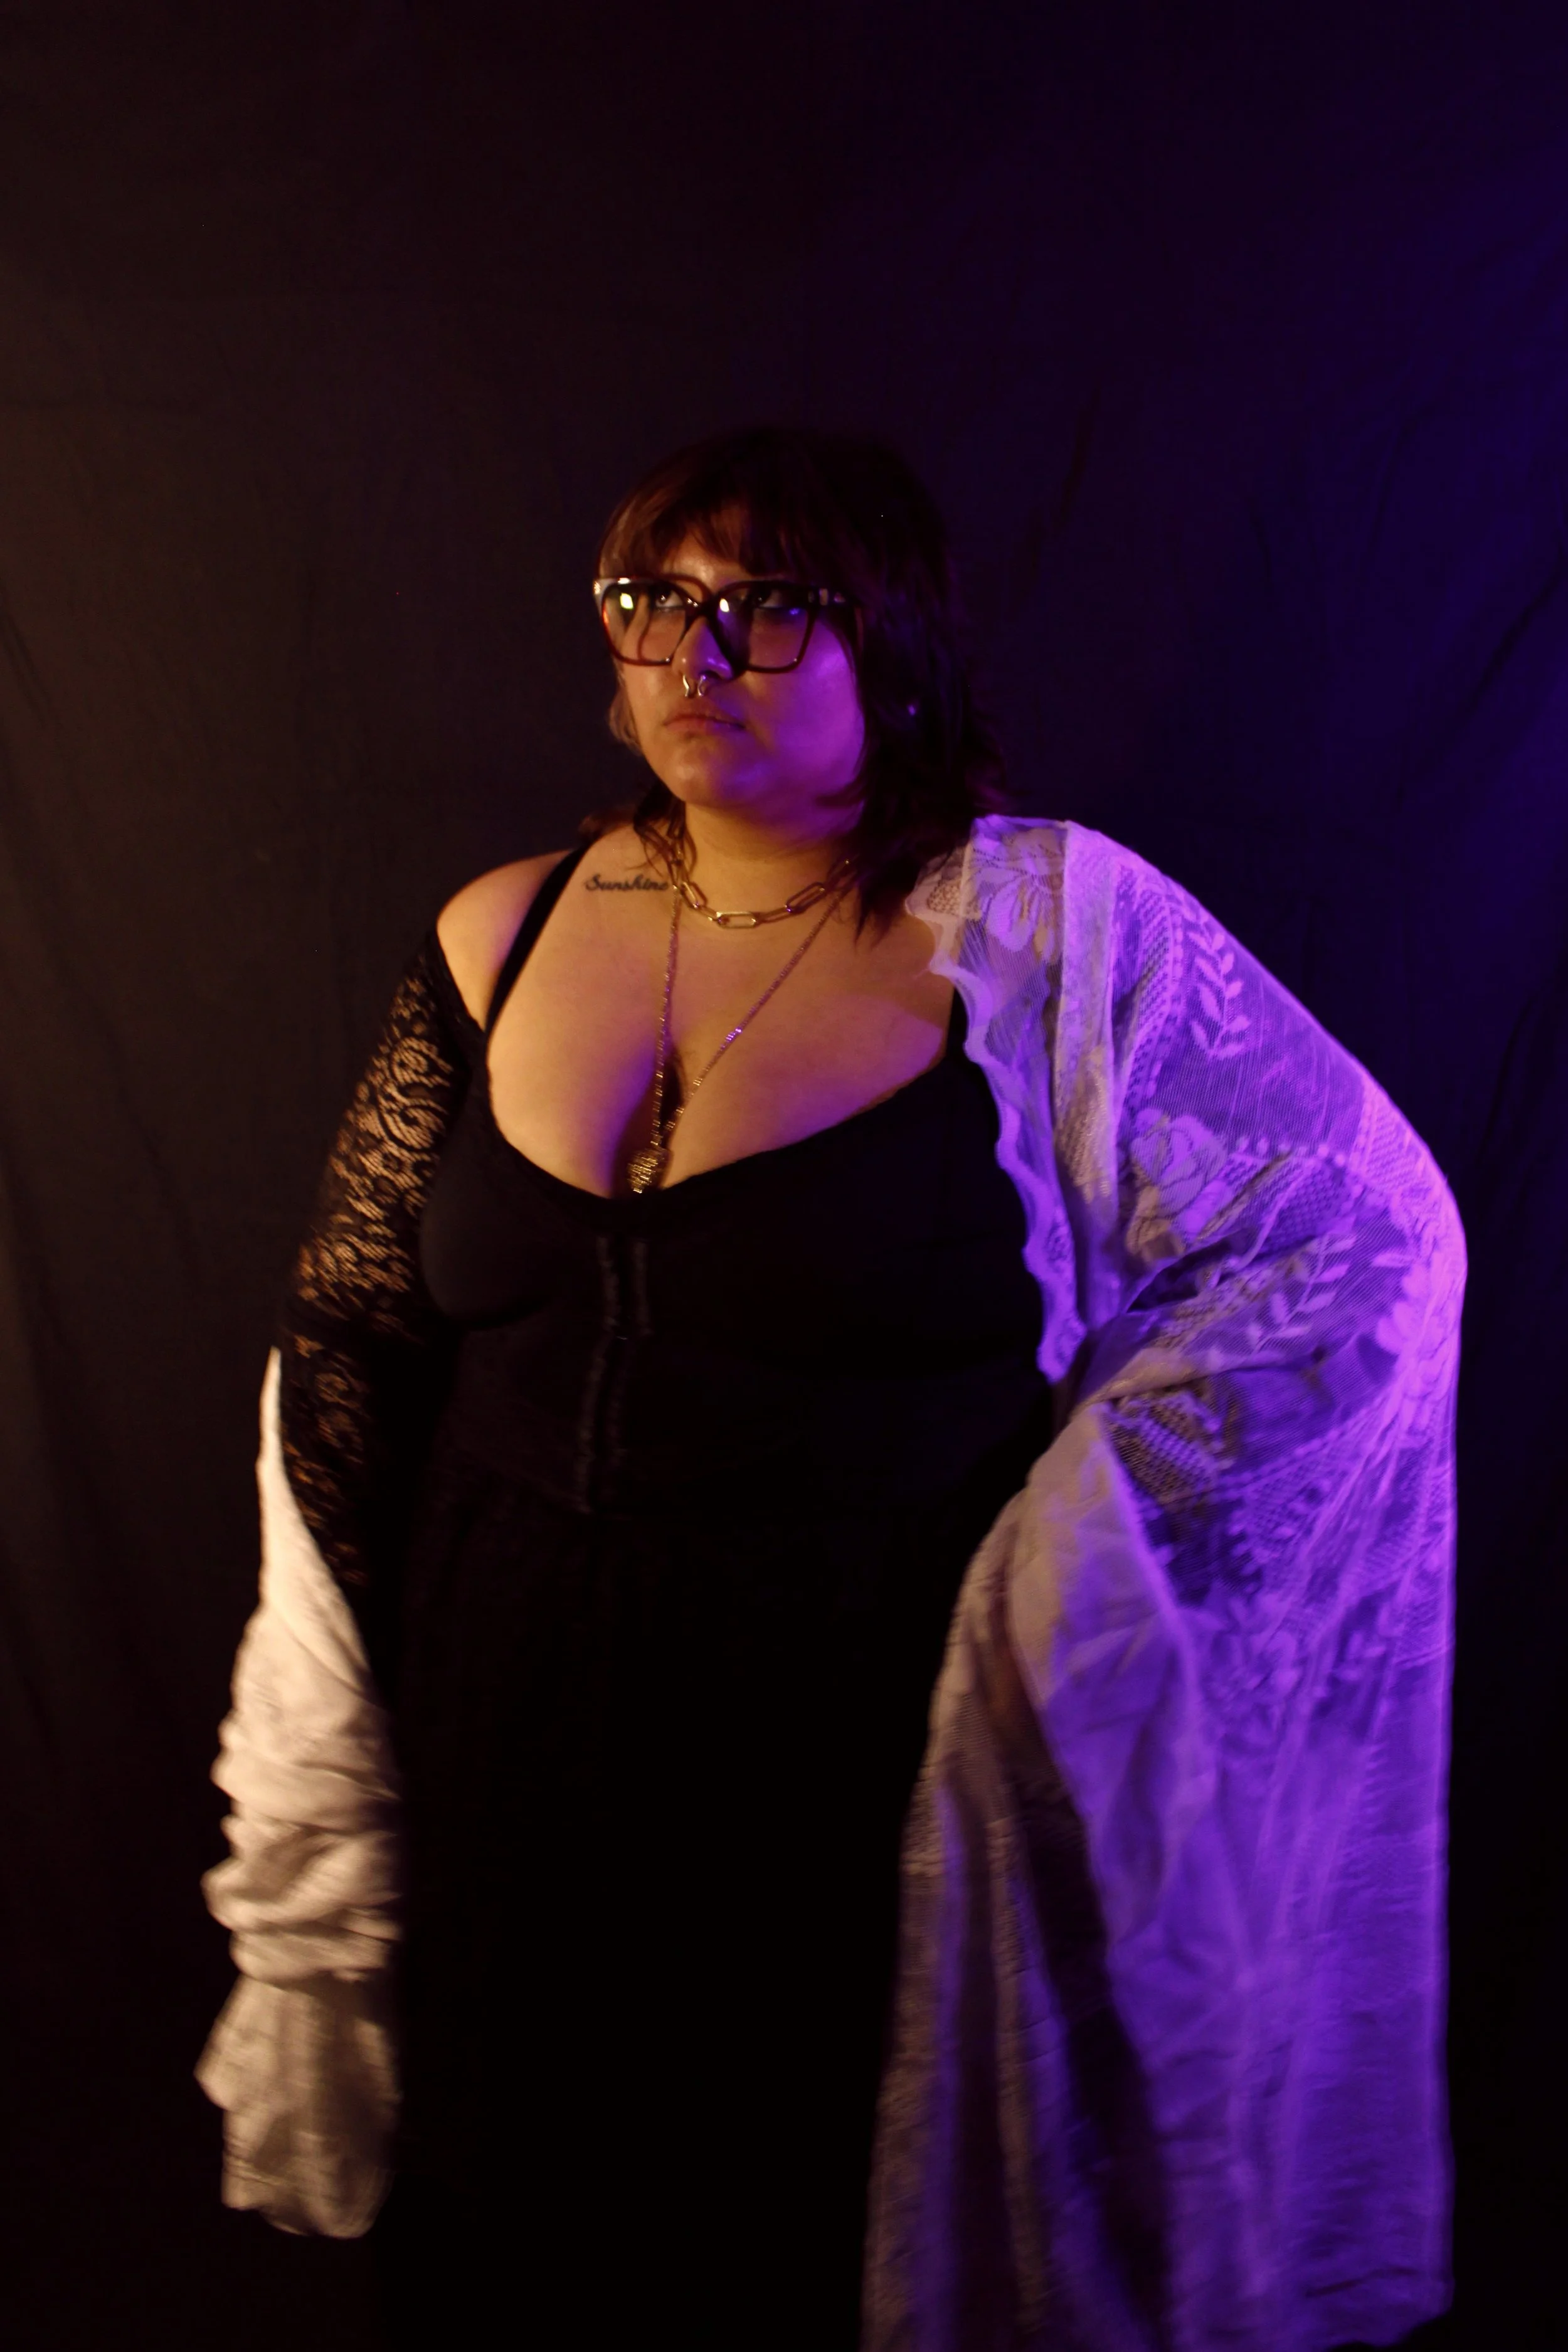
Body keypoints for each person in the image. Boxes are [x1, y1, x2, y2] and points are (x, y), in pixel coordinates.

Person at [197, 425, 1465, 2352]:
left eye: (767, 606)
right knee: (505, 2226)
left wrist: (1082, 1561)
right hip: (497, 1708)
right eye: (654, 600)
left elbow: (1360, 1244)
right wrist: (348, 1697)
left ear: (896, 645)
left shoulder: (1048, 936)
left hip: (835, 1738)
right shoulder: (498, 930)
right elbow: (358, 1323)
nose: (696, 653)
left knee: (777, 2232)